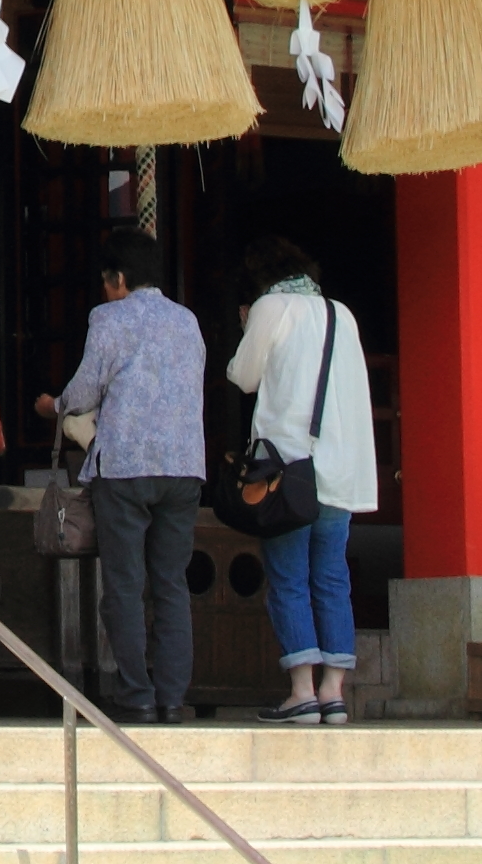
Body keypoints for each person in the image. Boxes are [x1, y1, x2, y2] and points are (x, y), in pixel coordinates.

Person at [38, 227, 206, 721]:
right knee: (171, 584)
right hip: (182, 467)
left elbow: (86, 389)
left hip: (127, 467)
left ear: (118, 278)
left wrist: (55, 405)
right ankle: (173, 698)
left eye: (107, 281)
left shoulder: (108, 318)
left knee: (126, 585)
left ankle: (137, 695)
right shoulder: (187, 321)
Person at [225, 241, 377, 724]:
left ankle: (301, 691)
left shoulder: (271, 306)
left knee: (289, 577)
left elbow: (242, 377)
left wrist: (249, 326)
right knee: (331, 577)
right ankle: (334, 692)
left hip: (290, 470)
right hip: (339, 470)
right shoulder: (342, 314)